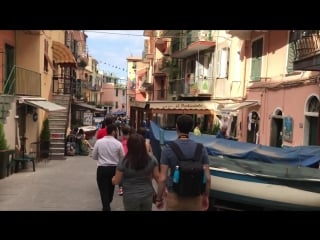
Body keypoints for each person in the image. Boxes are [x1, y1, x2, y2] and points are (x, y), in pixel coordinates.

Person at [155, 114, 211, 211]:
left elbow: (162, 178)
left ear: (176, 126)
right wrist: (205, 196)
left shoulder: (168, 149)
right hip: (195, 198)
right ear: (191, 128)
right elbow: (208, 178)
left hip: (174, 198)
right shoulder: (201, 148)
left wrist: (159, 199)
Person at [112, 133, 159, 211]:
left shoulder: (123, 161)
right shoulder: (152, 159)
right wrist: (162, 192)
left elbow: (116, 181)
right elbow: (157, 177)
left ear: (129, 145)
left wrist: (112, 179)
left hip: (130, 197)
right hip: (147, 195)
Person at [92, 124, 125, 211]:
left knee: (103, 190)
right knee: (111, 189)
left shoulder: (99, 142)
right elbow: (122, 158)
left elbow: (94, 156)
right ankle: (107, 204)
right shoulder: (118, 144)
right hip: (114, 169)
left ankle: (106, 205)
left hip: (102, 168)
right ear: (114, 131)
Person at [117, 125, 131, 196]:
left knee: (121, 174)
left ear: (122, 132)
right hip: (129, 158)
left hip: (122, 159)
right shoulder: (131, 139)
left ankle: (121, 188)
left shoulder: (120, 140)